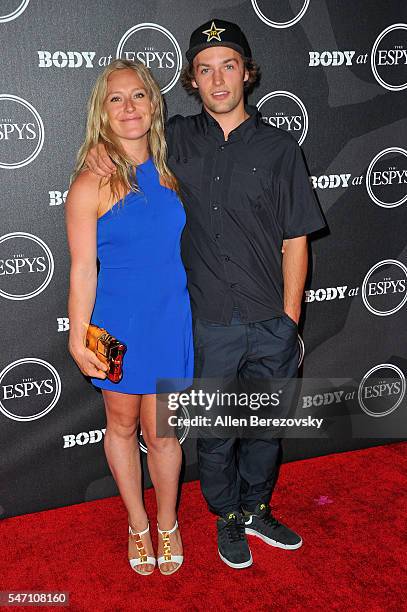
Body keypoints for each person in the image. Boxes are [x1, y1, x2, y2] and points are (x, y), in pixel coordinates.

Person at [86, 20, 326, 569]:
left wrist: (290, 319)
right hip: (208, 320)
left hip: (270, 320)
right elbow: (128, 139)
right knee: (216, 433)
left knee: (265, 429)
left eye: (228, 65)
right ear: (191, 80)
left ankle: (256, 507)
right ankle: (226, 519)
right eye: (204, 69)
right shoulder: (177, 142)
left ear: (247, 72)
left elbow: (297, 240)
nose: (218, 79)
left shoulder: (280, 147)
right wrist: (103, 153)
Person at [66, 58, 193, 576]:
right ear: (103, 111)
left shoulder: (172, 163)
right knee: (120, 425)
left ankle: (168, 522)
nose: (129, 107)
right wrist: (78, 340)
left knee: (161, 432)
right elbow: (81, 270)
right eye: (116, 99)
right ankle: (137, 523)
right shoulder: (90, 181)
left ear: (153, 102)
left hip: (168, 318)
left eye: (138, 95)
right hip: (114, 324)